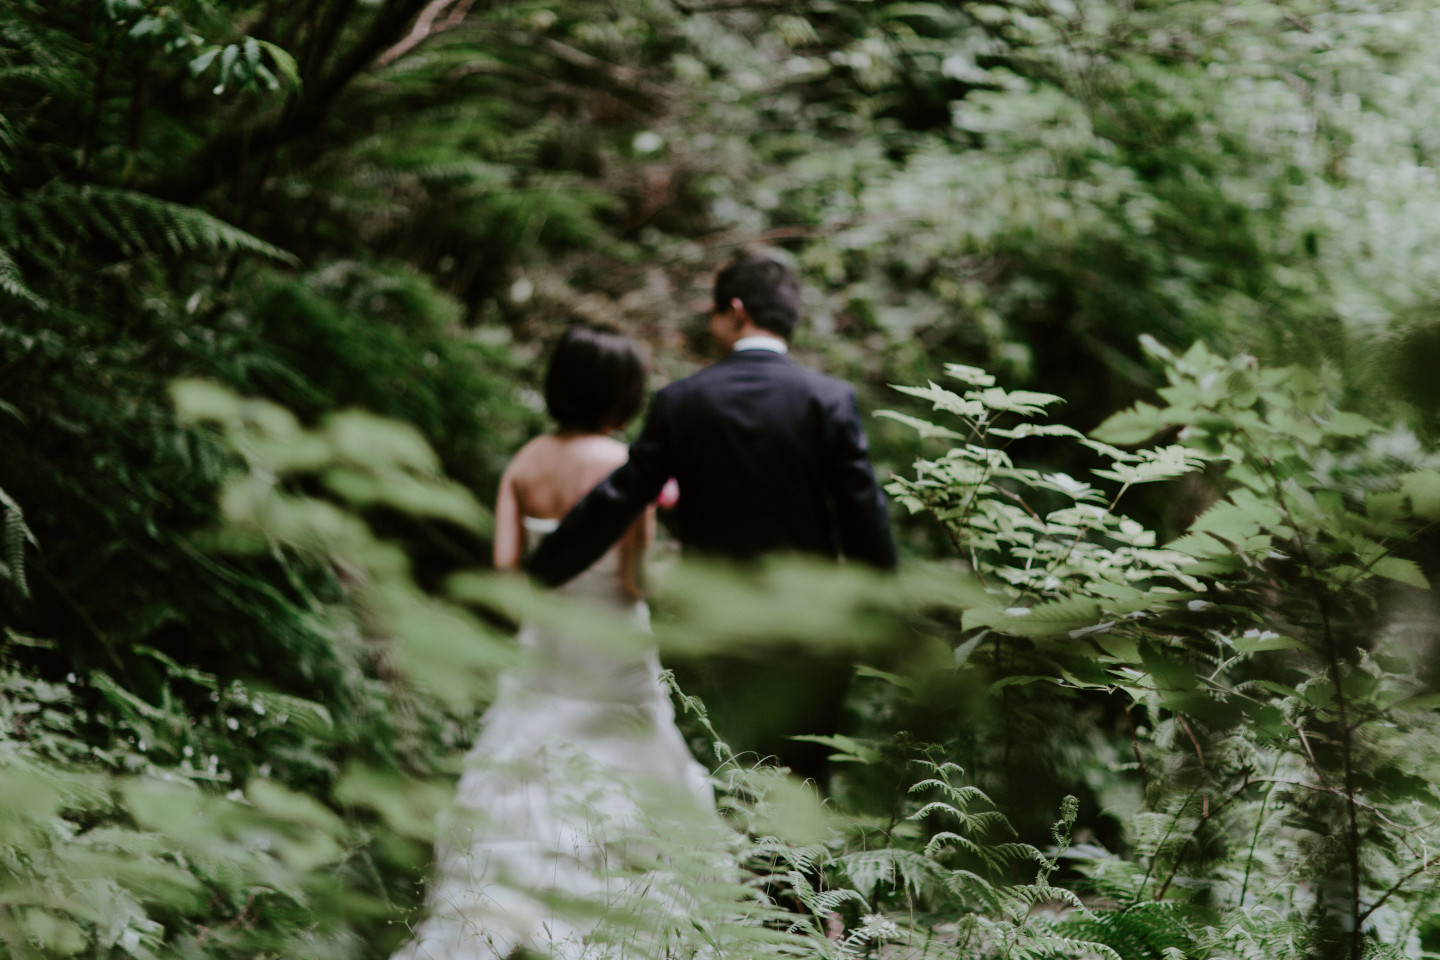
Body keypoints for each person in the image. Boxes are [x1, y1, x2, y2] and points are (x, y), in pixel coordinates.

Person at [393, 324, 712, 960]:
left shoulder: (525, 463)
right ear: (621, 394)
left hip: (547, 645)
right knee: (634, 766)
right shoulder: (626, 466)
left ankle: (503, 919)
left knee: (526, 762)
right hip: (614, 643)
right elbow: (633, 578)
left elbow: (510, 578)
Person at [527, 252, 896, 783]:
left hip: (722, 623)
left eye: (713, 315)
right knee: (805, 779)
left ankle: (752, 864)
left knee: (746, 770)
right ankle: (796, 869)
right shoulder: (829, 400)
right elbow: (864, 515)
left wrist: (545, 571)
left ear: (736, 311)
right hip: (814, 624)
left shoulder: (683, 402)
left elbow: (620, 498)